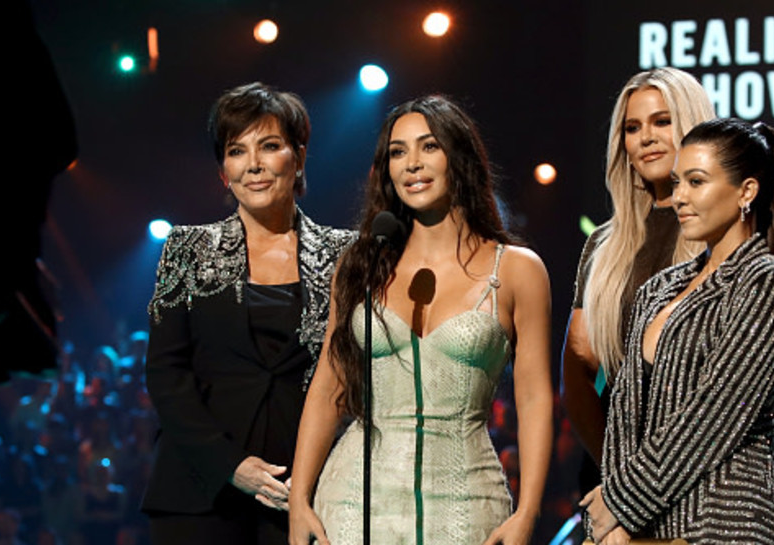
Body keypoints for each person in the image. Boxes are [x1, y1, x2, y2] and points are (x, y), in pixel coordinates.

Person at [288, 96, 553, 545]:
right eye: (397, 151)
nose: (412, 163)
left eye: (429, 147)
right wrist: (299, 499)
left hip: (466, 503)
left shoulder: (516, 269)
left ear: (459, 157)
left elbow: (534, 397)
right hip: (354, 502)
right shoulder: (361, 262)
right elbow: (328, 386)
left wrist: (529, 510)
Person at [142, 82, 355, 545]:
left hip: (307, 494)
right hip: (199, 493)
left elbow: (354, 375)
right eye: (237, 151)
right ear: (223, 171)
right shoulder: (187, 249)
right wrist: (230, 465)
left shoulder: (346, 254)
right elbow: (165, 374)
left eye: (270, 146)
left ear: (298, 158)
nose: (253, 165)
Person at [582, 118, 774, 544]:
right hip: (645, 527)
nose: (680, 197)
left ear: (747, 192)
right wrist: (616, 524)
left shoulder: (769, 282)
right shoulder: (657, 290)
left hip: (727, 526)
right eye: (677, 182)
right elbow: (625, 417)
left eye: (696, 182)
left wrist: (620, 500)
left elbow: (718, 412)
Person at [561, 68, 714, 496]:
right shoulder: (604, 247)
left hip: (702, 485)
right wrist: (616, 470)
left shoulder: (723, 234)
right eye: (632, 127)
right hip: (614, 480)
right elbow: (577, 373)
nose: (645, 137)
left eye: (662, 121)